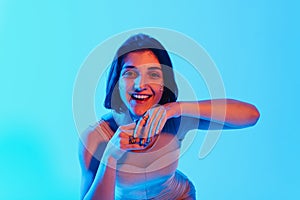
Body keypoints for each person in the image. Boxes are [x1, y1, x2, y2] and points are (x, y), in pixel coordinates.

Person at [78, 33, 260, 200]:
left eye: (154, 74)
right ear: (117, 82)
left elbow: (251, 115)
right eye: (130, 73)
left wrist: (177, 108)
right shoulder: (95, 137)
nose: (141, 84)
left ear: (164, 84)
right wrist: (110, 156)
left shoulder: (175, 120)